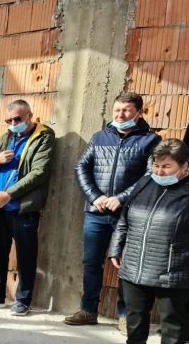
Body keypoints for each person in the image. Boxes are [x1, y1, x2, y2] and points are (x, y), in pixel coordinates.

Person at [66, 93, 160, 329]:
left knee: (126, 265)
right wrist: (94, 196)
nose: (120, 115)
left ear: (139, 113)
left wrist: (121, 199)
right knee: (91, 263)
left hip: (128, 214)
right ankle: (88, 310)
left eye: (126, 111)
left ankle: (125, 315)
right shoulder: (99, 137)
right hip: (96, 212)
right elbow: (81, 167)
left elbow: (151, 175)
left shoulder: (151, 140)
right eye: (117, 110)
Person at [107, 139, 189, 344]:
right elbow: (124, 217)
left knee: (172, 322)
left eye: (166, 167)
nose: (159, 172)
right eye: (156, 165)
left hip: (175, 267)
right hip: (135, 261)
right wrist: (116, 247)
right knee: (135, 314)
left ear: (184, 166)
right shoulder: (145, 182)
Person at [0, 99, 54, 315]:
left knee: (26, 256)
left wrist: (9, 194)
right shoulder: (7, 136)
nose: (12, 123)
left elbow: (39, 173)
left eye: (17, 119)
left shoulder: (44, 137)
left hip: (22, 207)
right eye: (9, 119)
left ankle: (23, 299)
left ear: (29, 115)